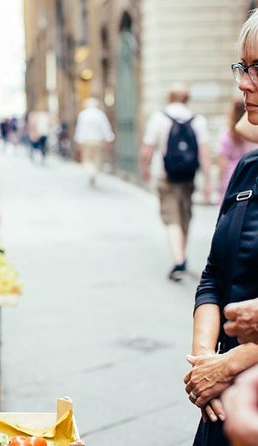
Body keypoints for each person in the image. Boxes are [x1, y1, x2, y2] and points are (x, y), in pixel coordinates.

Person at [183, 10, 258, 445]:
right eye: (242, 68)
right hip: (220, 397)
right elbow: (213, 275)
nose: (243, 83)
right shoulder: (247, 168)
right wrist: (204, 362)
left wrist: (228, 367)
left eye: (257, 69)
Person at [139, 83, 212, 281]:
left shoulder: (159, 118)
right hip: (188, 177)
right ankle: (182, 255)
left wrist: (145, 169)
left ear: (169, 98)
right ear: (187, 99)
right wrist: (208, 182)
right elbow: (204, 155)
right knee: (185, 217)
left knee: (172, 219)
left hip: (166, 178)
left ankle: (178, 259)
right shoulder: (198, 121)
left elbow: (147, 149)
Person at [217, 98, 253, 203]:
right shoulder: (253, 131)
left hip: (231, 174)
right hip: (249, 172)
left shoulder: (227, 133)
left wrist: (220, 179)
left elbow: (222, 159)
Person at [73, 97, 115, 186]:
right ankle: (94, 172)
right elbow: (105, 127)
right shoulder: (100, 114)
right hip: (98, 140)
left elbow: (80, 129)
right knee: (97, 159)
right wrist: (109, 139)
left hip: (86, 140)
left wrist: (79, 141)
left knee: (87, 159)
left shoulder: (83, 115)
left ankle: (90, 172)